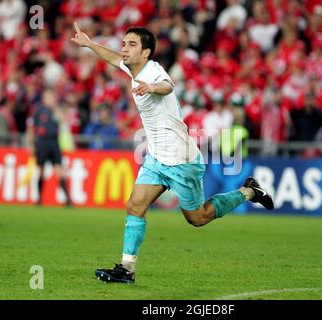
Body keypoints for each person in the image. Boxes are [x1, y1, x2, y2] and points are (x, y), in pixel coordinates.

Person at [71, 22, 274, 284]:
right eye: (124, 43)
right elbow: (113, 59)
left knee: (198, 217)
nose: (123, 48)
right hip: (156, 157)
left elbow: (167, 86)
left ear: (146, 53)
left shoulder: (154, 72)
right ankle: (127, 269)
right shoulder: (134, 69)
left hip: (181, 159)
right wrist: (89, 44)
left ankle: (249, 192)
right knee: (135, 205)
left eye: (131, 44)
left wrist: (152, 88)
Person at [26, 89, 72, 207]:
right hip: (42, 142)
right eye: (48, 97)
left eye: (52, 97)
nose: (51, 99)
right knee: (40, 170)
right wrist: (31, 144)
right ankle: (39, 198)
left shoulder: (56, 110)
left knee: (59, 171)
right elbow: (31, 128)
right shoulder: (38, 111)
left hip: (54, 142)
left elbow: (64, 121)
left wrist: (57, 111)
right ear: (44, 99)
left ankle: (67, 199)